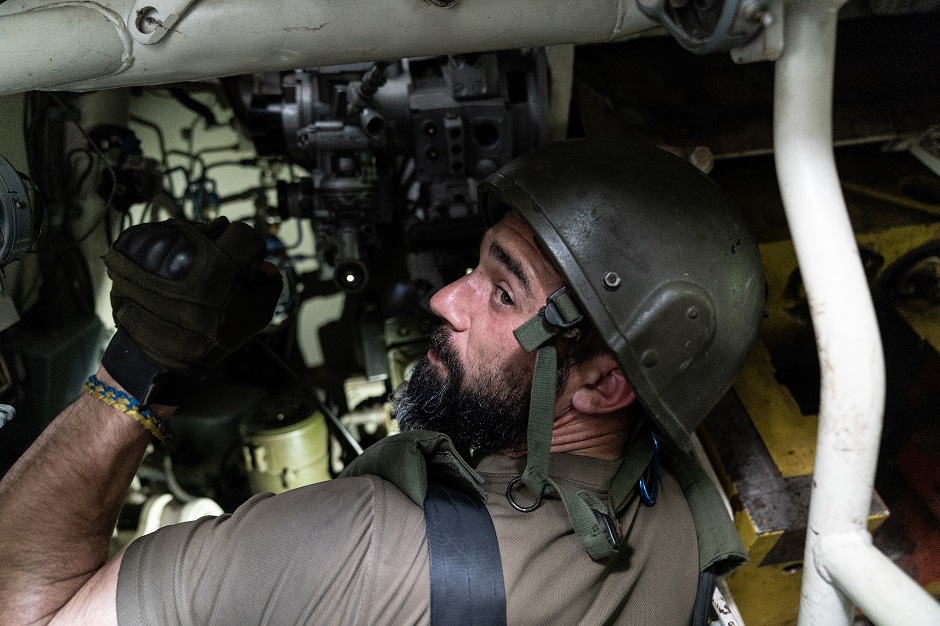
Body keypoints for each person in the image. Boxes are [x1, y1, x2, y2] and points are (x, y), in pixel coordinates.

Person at [0, 138, 764, 625]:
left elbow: (22, 610)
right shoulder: (683, 520)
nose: (443, 300)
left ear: (603, 384)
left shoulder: (361, 549)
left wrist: (138, 368)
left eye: (502, 294)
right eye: (477, 265)